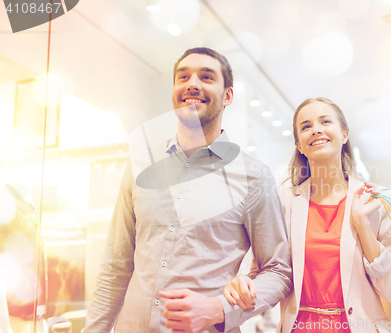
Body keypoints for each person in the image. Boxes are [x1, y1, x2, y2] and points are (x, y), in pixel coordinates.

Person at [83, 47, 292, 333]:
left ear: (227, 95)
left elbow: (278, 270)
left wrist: (220, 309)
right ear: (174, 91)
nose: (192, 84)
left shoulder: (253, 177)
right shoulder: (140, 166)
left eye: (206, 77)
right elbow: (115, 266)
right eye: (183, 77)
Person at [223, 98, 391, 333]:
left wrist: (362, 224)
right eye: (306, 126)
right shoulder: (283, 203)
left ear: (344, 135)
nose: (316, 129)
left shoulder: (376, 201)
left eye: (325, 121)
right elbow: (265, 272)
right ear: (299, 144)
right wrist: (245, 285)